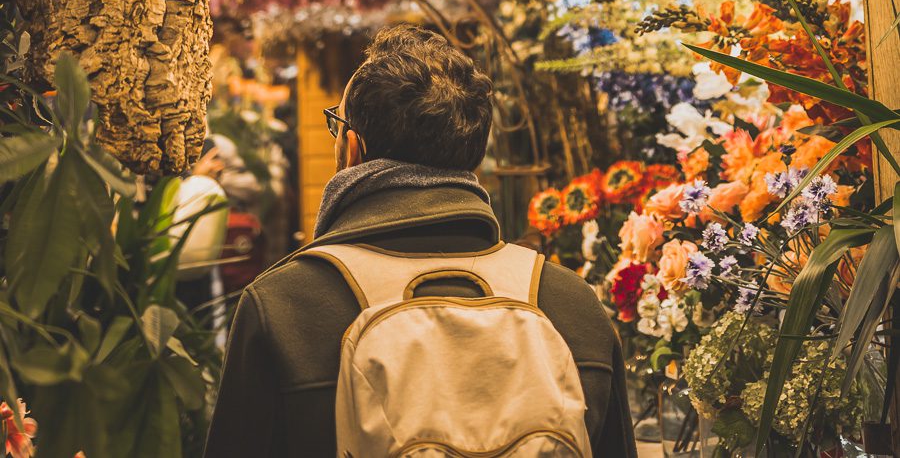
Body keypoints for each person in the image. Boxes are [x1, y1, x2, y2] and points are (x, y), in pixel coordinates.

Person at [203, 24, 637, 458]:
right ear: (473, 155)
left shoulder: (284, 306)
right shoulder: (570, 306)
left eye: (337, 126)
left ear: (352, 149)